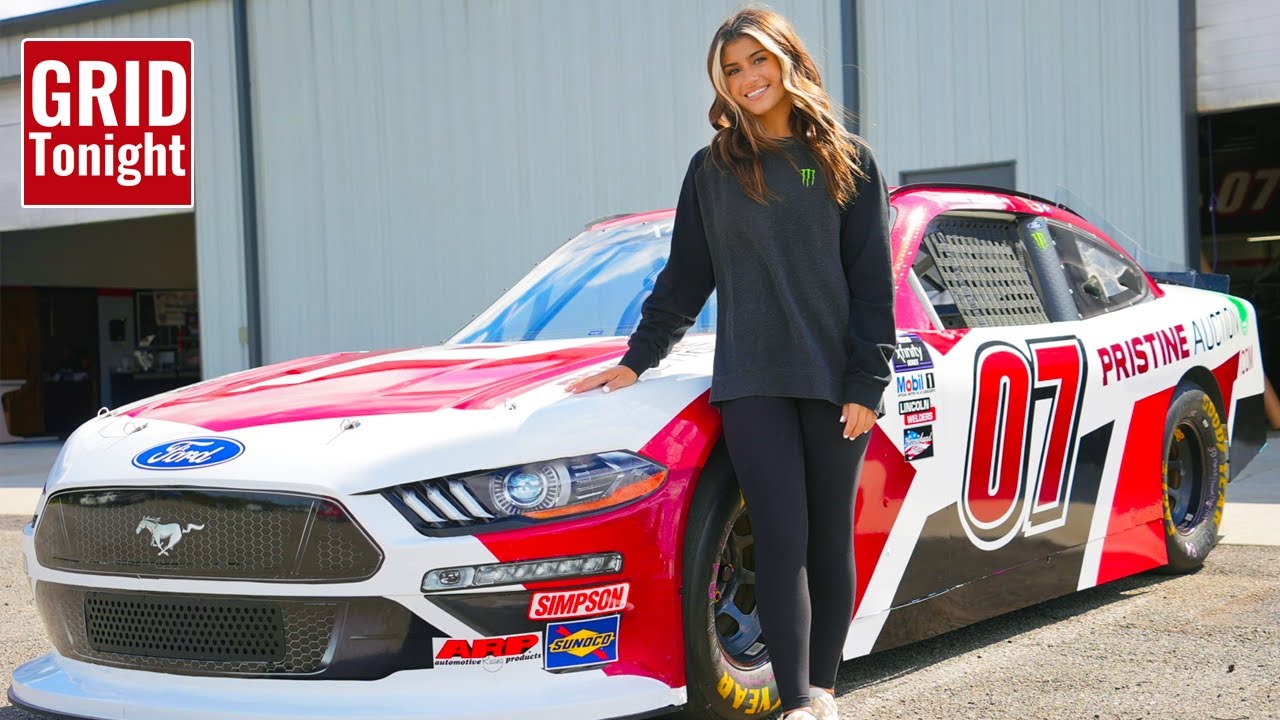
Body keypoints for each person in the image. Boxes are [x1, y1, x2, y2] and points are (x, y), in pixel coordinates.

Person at [565, 7, 894, 720]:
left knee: (829, 536)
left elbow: (873, 284)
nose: (748, 78)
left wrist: (868, 379)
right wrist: (635, 363)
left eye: (757, 61)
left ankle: (828, 689)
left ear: (787, 60)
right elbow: (686, 278)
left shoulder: (847, 158)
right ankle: (798, 699)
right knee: (779, 538)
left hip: (837, 382)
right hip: (752, 384)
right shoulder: (713, 170)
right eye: (732, 70)